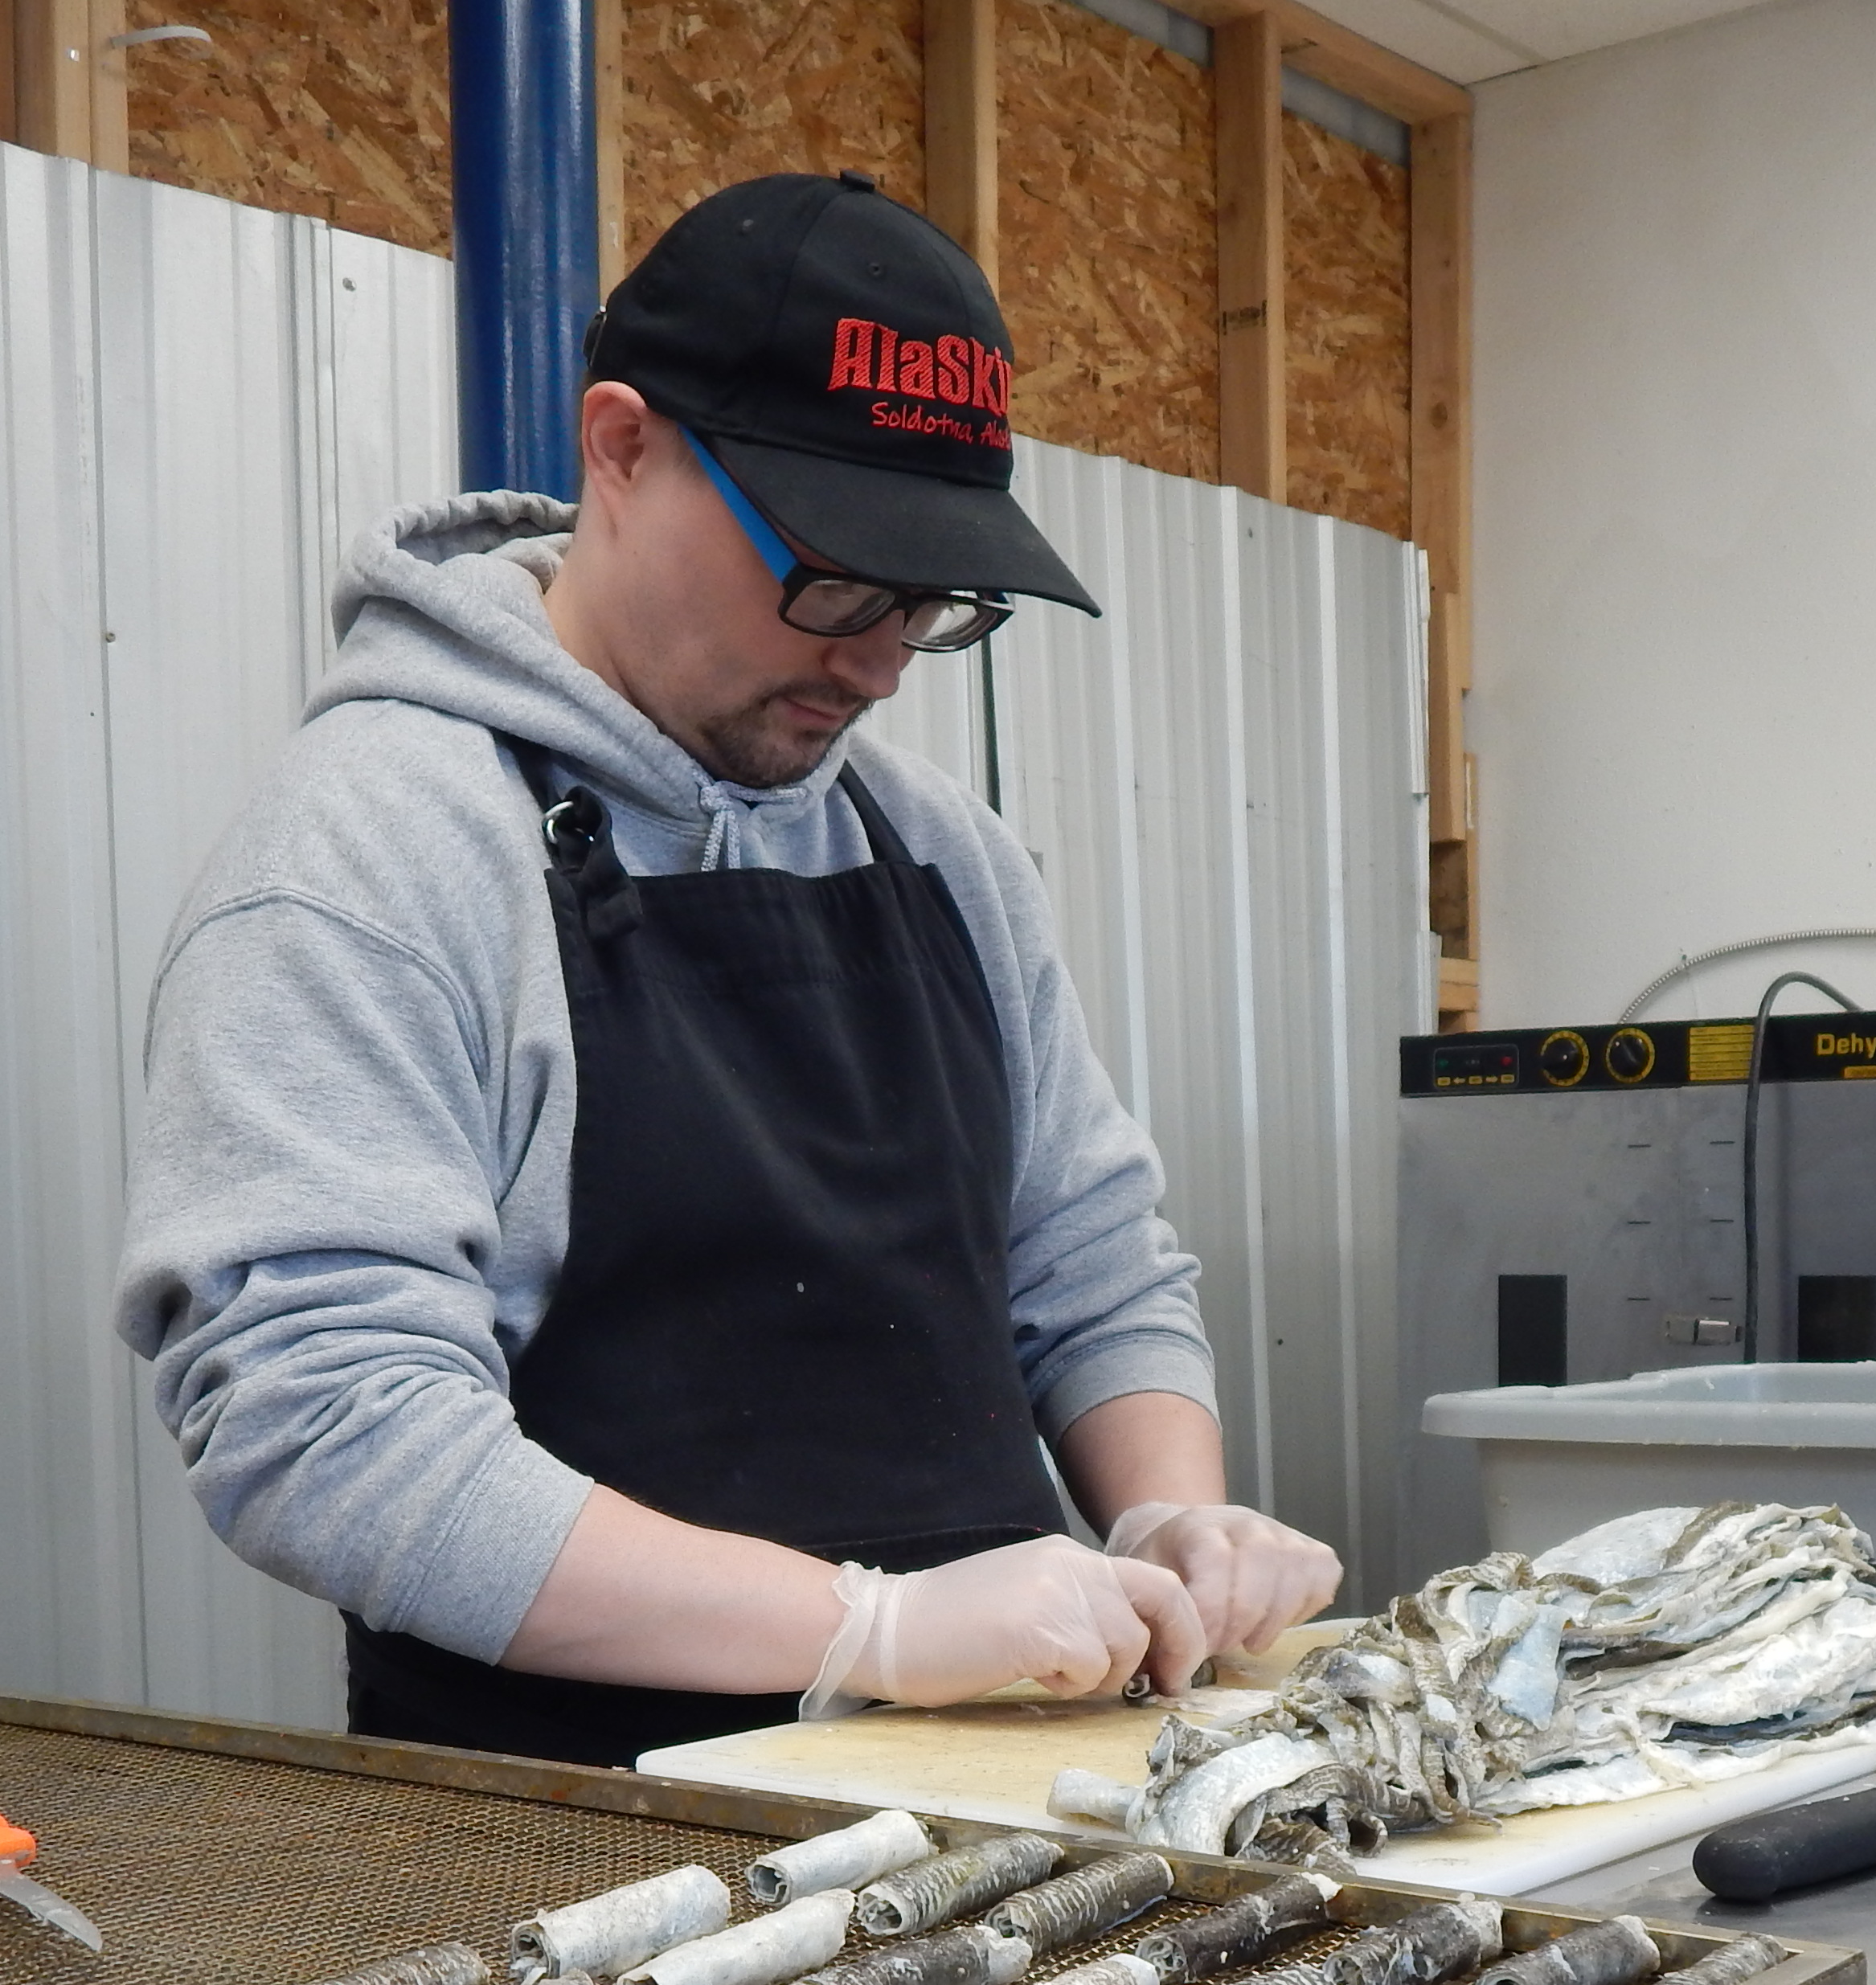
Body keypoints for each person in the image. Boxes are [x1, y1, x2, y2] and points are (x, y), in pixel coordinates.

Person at [115, 171, 1340, 1768]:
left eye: (931, 600)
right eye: (834, 575)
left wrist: (1174, 1509)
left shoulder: (941, 852)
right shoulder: (370, 858)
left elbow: (1090, 1264)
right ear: (621, 447)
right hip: (582, 1847)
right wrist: (871, 1634)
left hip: (1020, 1792)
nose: (880, 658)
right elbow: (330, 1431)